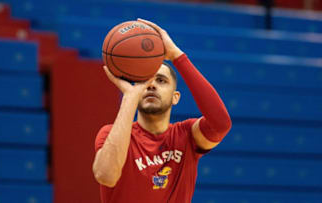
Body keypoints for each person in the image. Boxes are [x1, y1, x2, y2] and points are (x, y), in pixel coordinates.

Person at [92, 18, 232, 203]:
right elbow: (106, 176)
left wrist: (177, 56)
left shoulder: (186, 135)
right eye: (146, 80)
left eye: (161, 80)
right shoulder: (110, 133)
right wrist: (130, 96)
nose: (151, 86)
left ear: (175, 97)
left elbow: (221, 124)